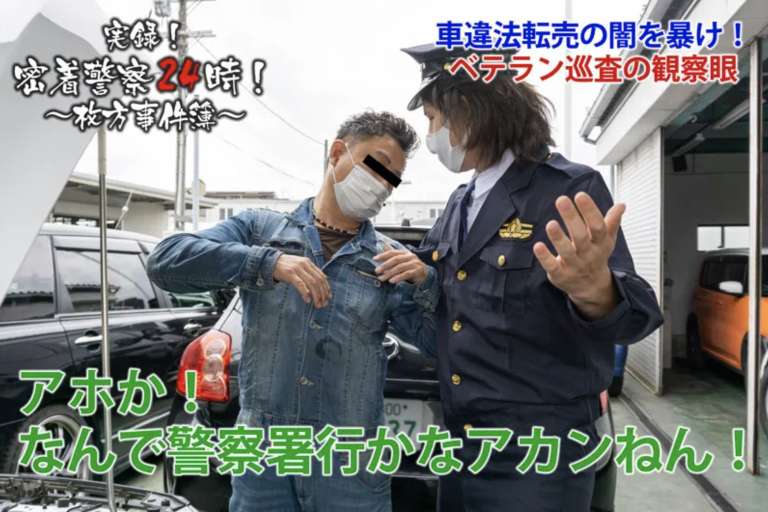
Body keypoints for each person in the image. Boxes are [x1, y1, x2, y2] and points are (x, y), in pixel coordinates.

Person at [401, 43, 665, 511]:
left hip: (540, 453)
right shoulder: (461, 201)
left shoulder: (566, 190)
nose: (432, 134)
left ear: (467, 109)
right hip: (462, 443)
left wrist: (595, 291)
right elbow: (430, 277)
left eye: (433, 118)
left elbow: (637, 314)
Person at [146, 111, 439, 512]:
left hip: (348, 463)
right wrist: (268, 263)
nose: (383, 184)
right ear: (337, 153)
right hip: (264, 459)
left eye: (393, 178)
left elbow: (437, 346)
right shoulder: (260, 231)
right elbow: (165, 263)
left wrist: (427, 284)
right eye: (377, 165)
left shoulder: (390, 260)